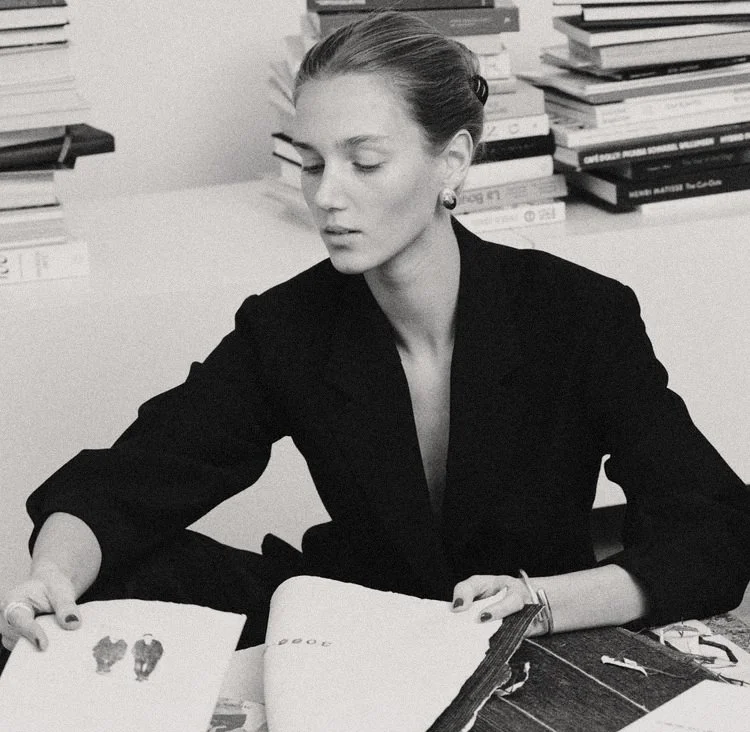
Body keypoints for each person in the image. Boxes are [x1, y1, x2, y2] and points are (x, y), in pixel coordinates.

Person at [2, 11, 749, 655]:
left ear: (451, 161)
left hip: (532, 634)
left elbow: (711, 527)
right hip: (352, 625)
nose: (327, 196)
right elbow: (130, 480)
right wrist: (52, 577)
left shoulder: (578, 312)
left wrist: (542, 602)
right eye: (310, 163)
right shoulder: (286, 326)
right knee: (107, 575)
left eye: (364, 162)